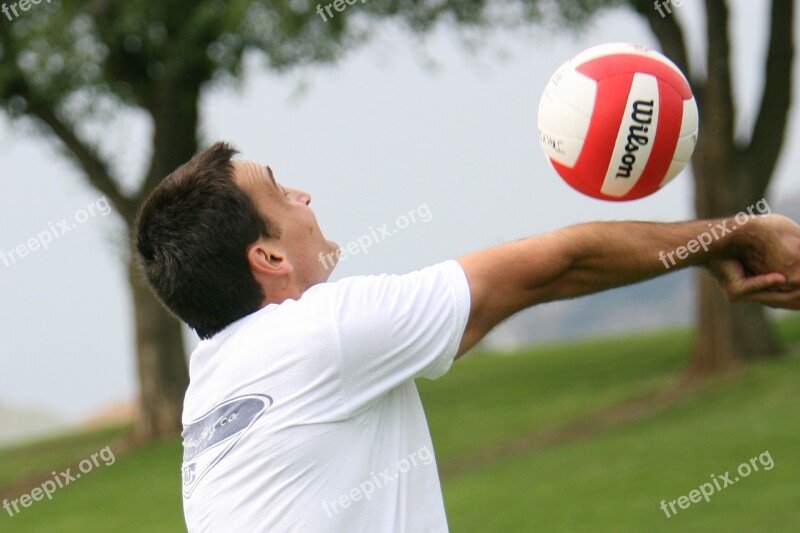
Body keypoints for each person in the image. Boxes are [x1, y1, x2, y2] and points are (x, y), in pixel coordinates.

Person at [134, 142, 800, 532]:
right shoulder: (321, 336)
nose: (305, 196)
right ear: (269, 258)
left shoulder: (211, 393)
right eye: (282, 193)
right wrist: (731, 237)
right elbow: (553, 266)